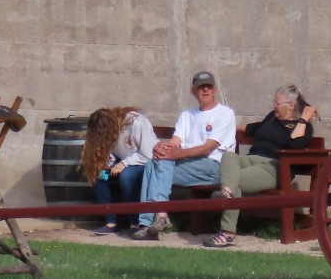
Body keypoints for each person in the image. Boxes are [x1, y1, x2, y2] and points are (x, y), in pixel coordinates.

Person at [204, 84, 318, 248]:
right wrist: (222, 128)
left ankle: (227, 232)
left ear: (291, 106)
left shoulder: (303, 128)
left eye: (277, 103)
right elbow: (254, 128)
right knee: (228, 156)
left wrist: (304, 118)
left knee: (236, 182)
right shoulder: (272, 118)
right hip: (251, 159)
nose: (273, 106)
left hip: (273, 168)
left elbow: (293, 146)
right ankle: (226, 192)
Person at [131, 70, 236, 241]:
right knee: (153, 163)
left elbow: (208, 148)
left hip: (213, 167)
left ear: (215, 89)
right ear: (194, 91)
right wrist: (163, 148)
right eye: (201, 87)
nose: (205, 90)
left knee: (158, 166)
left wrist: (176, 154)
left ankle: (151, 220)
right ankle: (154, 219)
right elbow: (175, 141)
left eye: (209, 86)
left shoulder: (225, 113)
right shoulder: (187, 115)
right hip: (187, 165)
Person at [78, 105, 154, 235]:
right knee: (99, 175)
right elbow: (115, 151)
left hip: (144, 165)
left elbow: (148, 154)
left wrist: (124, 163)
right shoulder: (110, 132)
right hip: (123, 164)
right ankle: (111, 221)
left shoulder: (136, 122)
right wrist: (108, 162)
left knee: (126, 176)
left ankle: (135, 222)